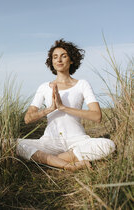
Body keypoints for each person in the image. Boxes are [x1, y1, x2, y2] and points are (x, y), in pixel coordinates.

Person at [16, 39, 115, 171]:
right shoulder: (44, 87)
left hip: (77, 140)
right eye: (55, 57)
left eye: (64, 56)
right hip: (49, 142)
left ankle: (47, 160)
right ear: (52, 62)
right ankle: (68, 165)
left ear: (71, 60)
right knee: (11, 144)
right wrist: (50, 109)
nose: (59, 60)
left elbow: (97, 116)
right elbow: (28, 118)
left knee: (108, 145)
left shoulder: (82, 84)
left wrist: (63, 107)